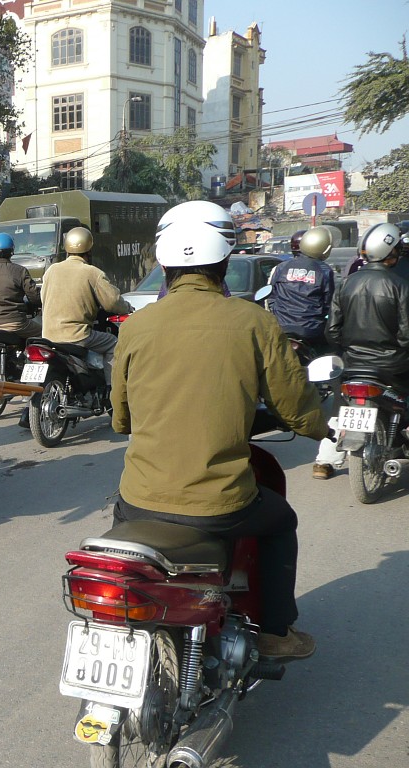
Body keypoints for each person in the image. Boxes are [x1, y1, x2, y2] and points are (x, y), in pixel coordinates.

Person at [111, 201, 328, 661]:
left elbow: (120, 418)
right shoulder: (254, 322)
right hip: (220, 504)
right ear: (225, 260)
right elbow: (295, 409)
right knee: (280, 521)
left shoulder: (136, 325)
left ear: (164, 263)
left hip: (137, 499)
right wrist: (325, 428)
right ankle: (273, 632)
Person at [267, 226, 343, 480]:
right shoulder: (324, 271)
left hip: (280, 329)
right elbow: (329, 304)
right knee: (337, 368)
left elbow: (273, 298)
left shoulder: (281, 267)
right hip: (311, 333)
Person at [40, 226, 132, 386]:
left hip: (48, 336)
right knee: (113, 343)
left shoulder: (51, 270)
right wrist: (127, 308)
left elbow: (43, 298)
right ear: (89, 250)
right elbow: (112, 302)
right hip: (77, 336)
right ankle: (113, 391)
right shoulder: (92, 273)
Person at [326, 222, 409, 389]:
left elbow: (332, 330)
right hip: (393, 366)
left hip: (352, 364)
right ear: (390, 252)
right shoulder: (400, 285)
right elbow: (405, 334)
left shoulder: (346, 283)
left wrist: (347, 351)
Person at [0, 233, 42, 339]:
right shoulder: (20, 271)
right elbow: (34, 296)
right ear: (12, 251)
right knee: (44, 333)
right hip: (16, 323)